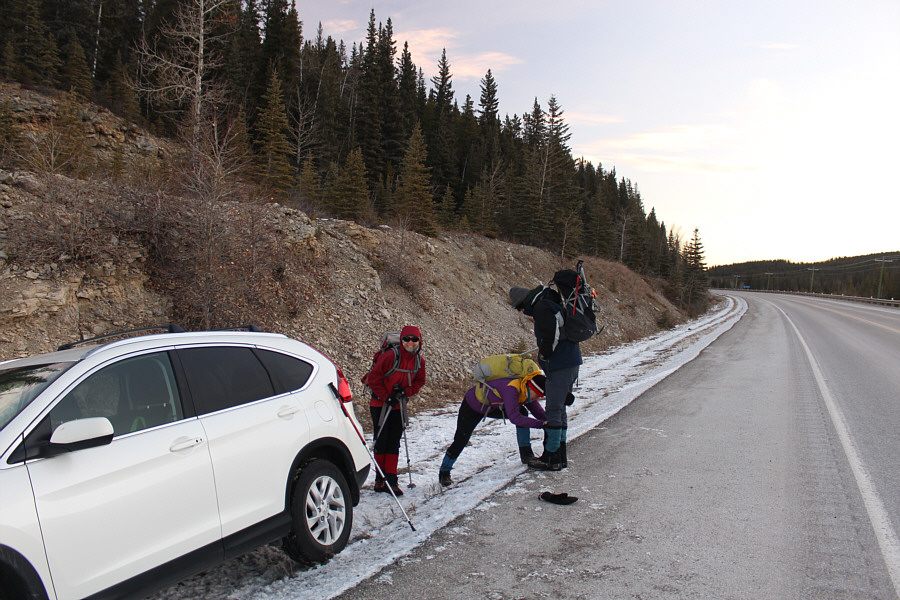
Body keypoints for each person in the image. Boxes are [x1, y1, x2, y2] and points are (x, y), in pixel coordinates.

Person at [509, 270, 583, 471]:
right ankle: (560, 455)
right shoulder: (549, 301)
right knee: (559, 408)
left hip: (561, 363)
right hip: (570, 361)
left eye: (520, 309)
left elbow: (552, 334)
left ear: (524, 303)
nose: (522, 313)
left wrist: (545, 355)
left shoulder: (541, 307)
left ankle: (551, 457)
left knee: (553, 409)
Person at [438, 372, 547, 486]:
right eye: (538, 395)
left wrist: (549, 421)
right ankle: (444, 472)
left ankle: (527, 456)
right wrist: (541, 424)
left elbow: (538, 412)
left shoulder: (526, 391)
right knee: (461, 439)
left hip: (491, 407)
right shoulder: (512, 390)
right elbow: (515, 418)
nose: (538, 398)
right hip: (472, 405)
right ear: (531, 388)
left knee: (523, 412)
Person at [368, 325, 426, 495]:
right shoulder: (390, 356)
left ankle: (391, 480)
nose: (410, 342)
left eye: (414, 339)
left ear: (419, 342)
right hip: (380, 404)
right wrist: (387, 396)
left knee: (394, 441)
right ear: (401, 340)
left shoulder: (419, 361)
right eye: (407, 339)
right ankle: (380, 480)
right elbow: (373, 379)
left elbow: (419, 381)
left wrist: (405, 392)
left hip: (398, 405)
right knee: (381, 441)